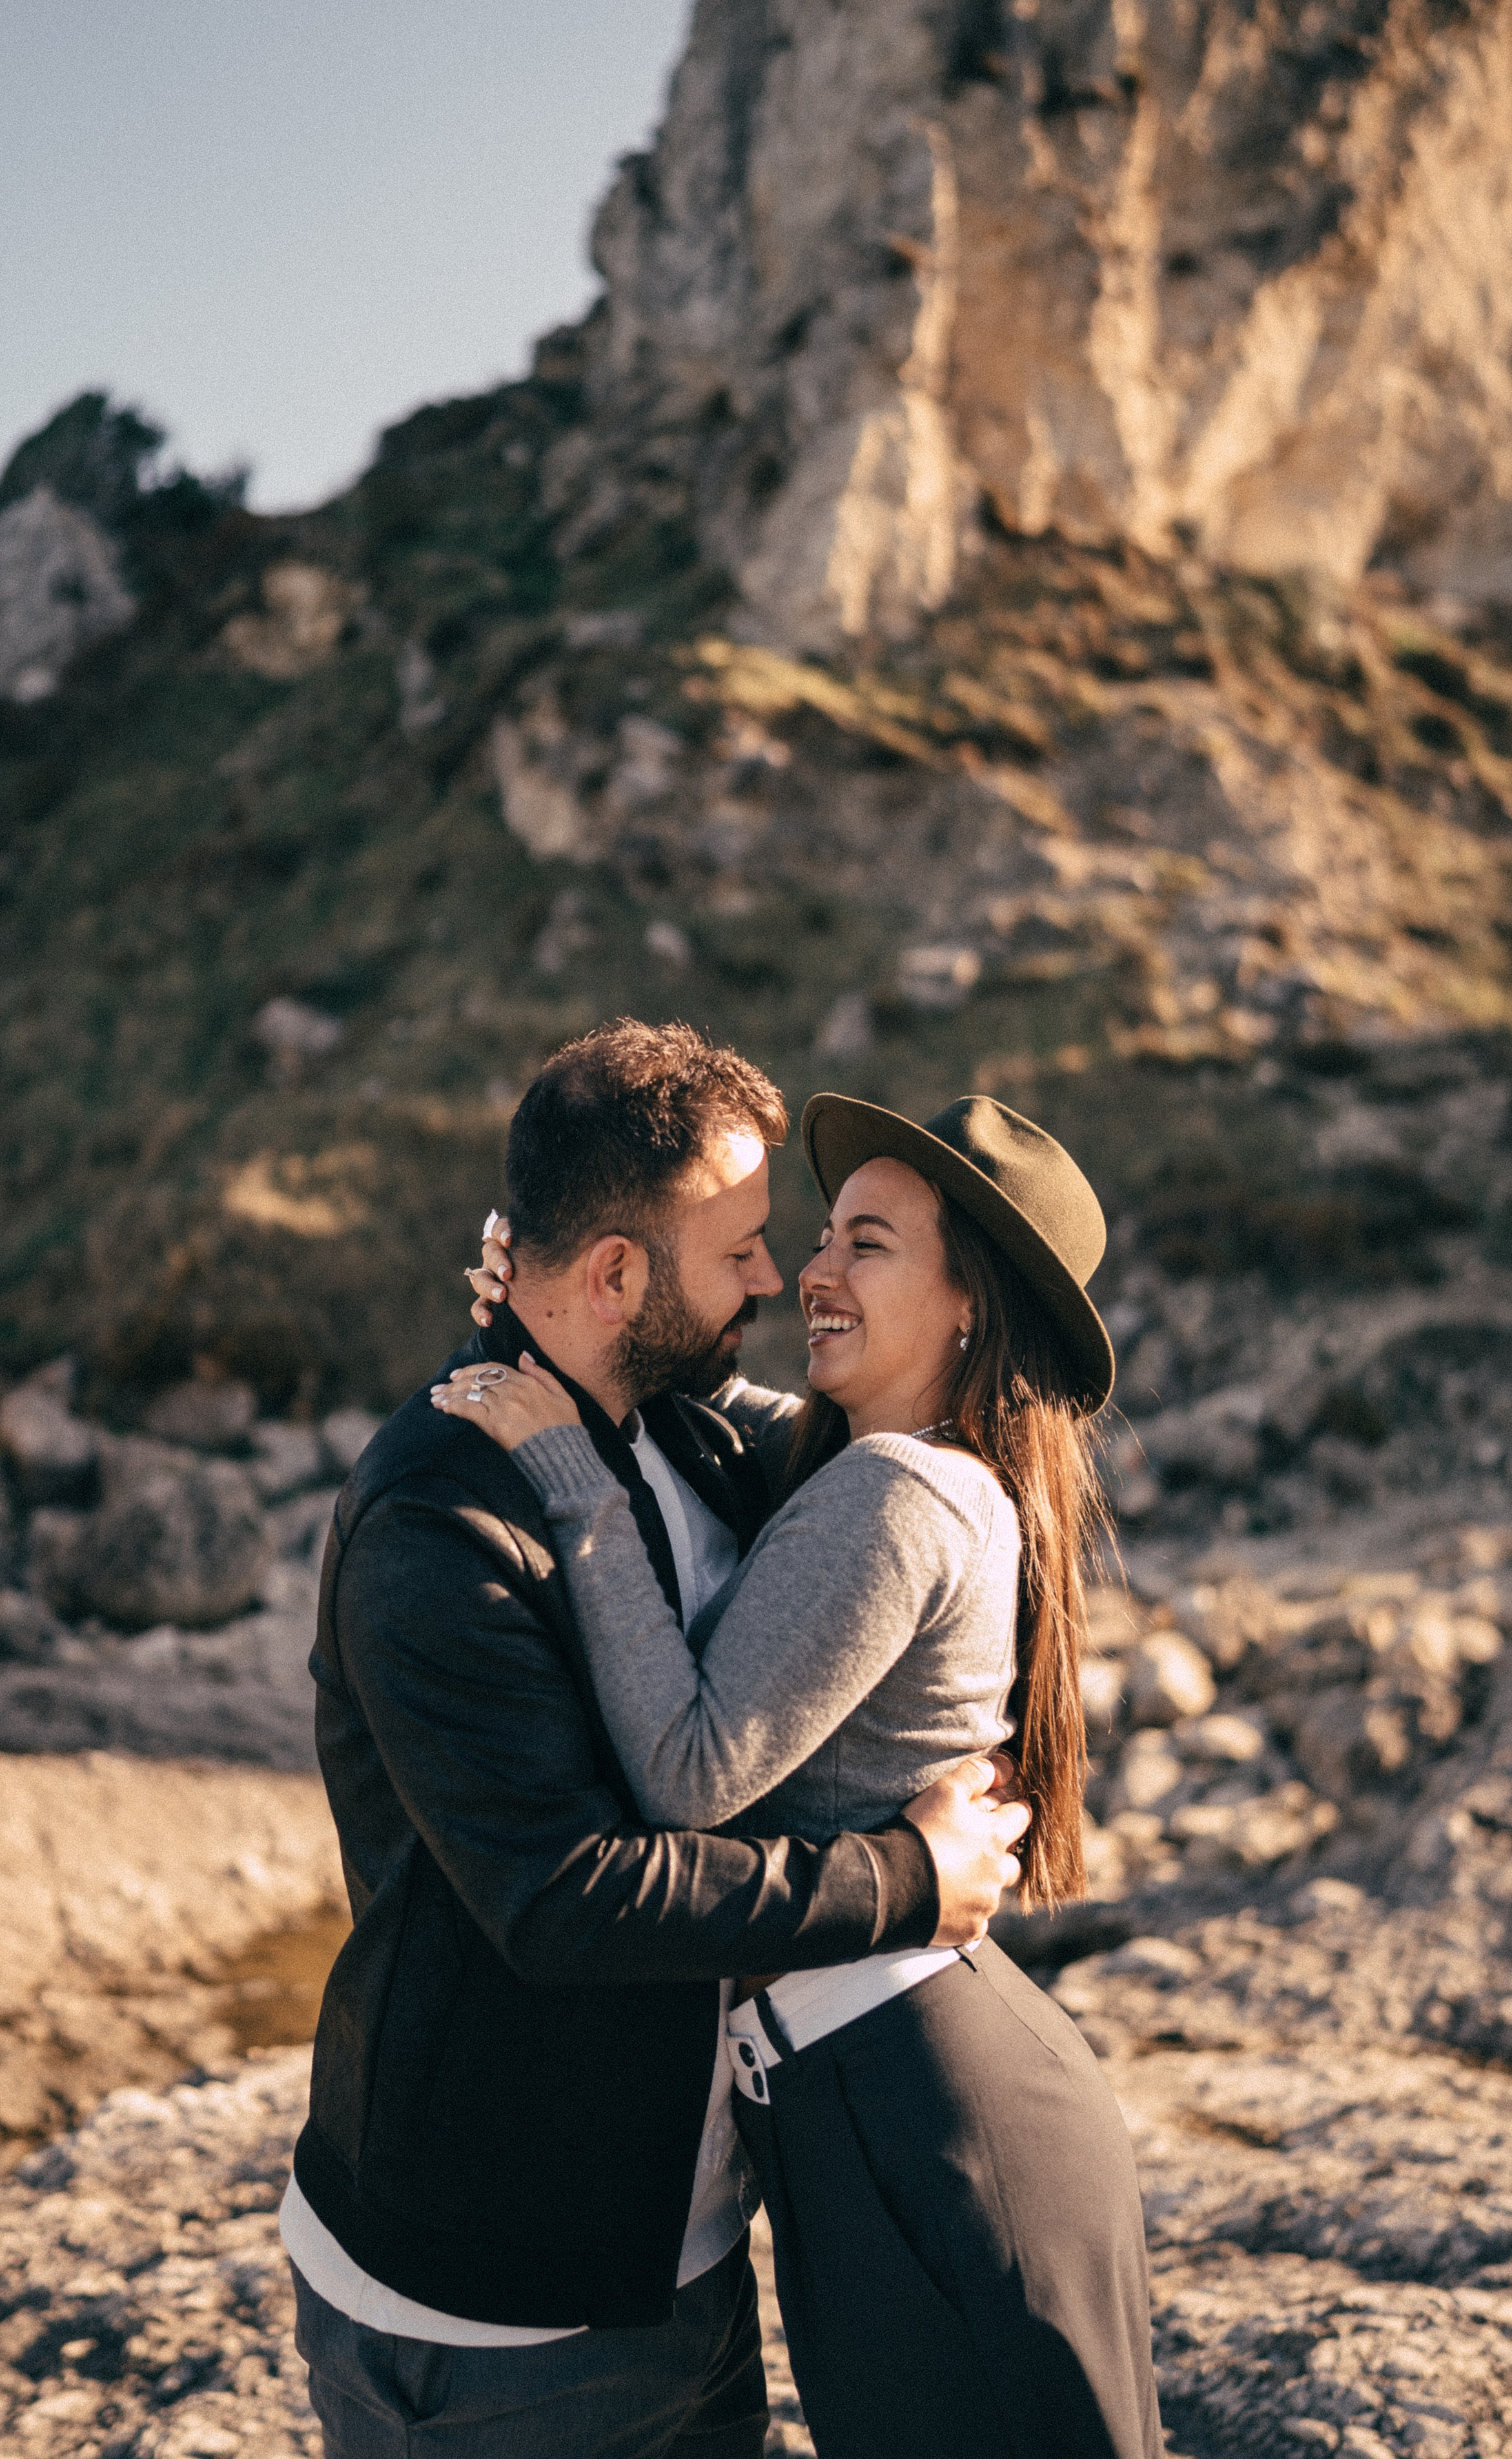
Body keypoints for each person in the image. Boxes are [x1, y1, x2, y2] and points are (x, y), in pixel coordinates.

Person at [283, 1021, 1032, 2459]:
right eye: (741, 1246)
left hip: (674, 2257)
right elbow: (566, 1898)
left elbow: (854, 1480)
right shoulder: (437, 1533)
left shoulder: (678, 1425)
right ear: (617, 1275)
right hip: (497, 2313)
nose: (774, 1273)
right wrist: (904, 1883)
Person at [449, 1085, 1165, 2459]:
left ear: (969, 1309)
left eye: (869, 1247)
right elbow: (706, 1403)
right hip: (879, 2082)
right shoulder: (886, 1465)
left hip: (922, 2104)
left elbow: (688, 1771)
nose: (814, 1273)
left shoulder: (896, 1495)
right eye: (823, 1235)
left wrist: (561, 1469)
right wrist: (539, 1310)